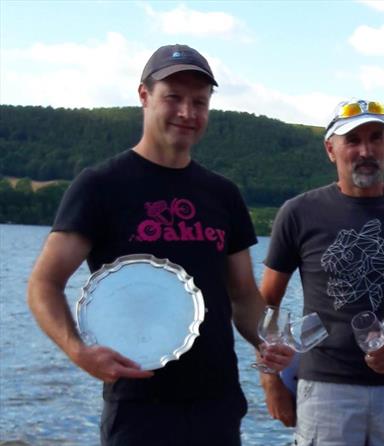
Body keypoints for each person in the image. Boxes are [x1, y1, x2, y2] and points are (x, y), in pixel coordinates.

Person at [26, 44, 289, 445]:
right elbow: (43, 284)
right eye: (174, 98)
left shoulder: (223, 194)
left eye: (199, 102)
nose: (187, 112)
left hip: (216, 402)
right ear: (144, 96)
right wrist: (78, 352)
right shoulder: (100, 186)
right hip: (138, 404)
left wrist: (271, 342)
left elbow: (243, 296)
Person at [258, 98, 384, 445]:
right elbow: (265, 305)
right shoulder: (298, 213)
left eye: (375, 138)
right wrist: (271, 381)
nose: (365, 150)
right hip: (324, 389)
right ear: (330, 149)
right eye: (352, 141)